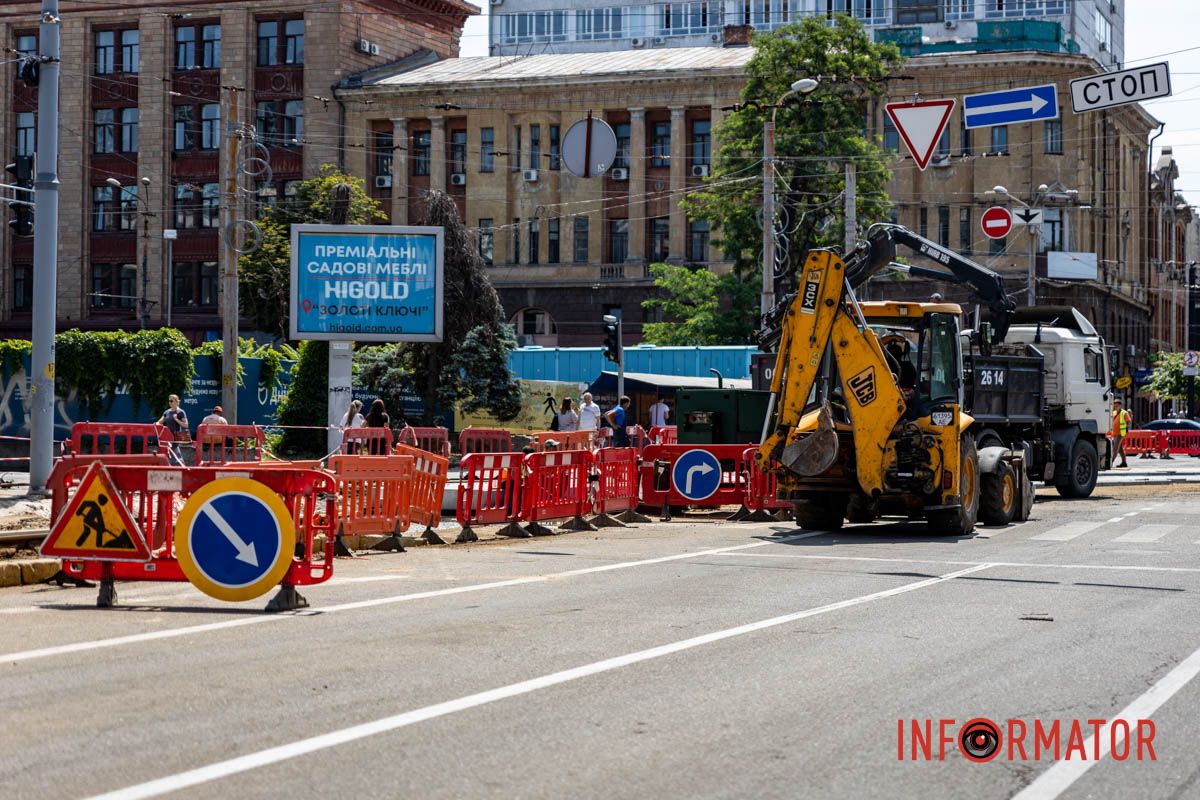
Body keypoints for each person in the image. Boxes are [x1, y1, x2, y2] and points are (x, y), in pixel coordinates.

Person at [1111, 399, 1132, 468]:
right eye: (1115, 406)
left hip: (1120, 433)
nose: (1116, 407)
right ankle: (1124, 463)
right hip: (1115, 433)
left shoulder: (1124, 413)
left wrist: (1125, 426)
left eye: (1117, 406)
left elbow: (1129, 421)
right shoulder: (1114, 412)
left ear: (1120, 405)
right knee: (1120, 449)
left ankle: (1111, 462)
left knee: (1115, 448)